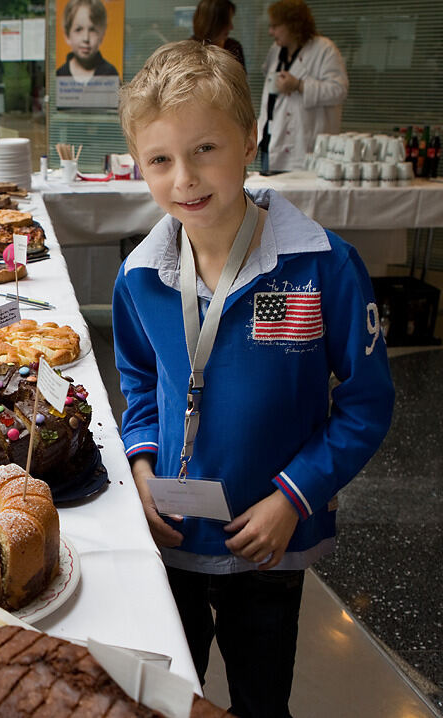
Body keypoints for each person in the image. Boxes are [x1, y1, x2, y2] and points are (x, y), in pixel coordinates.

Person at [114, 41, 393, 717]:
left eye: (205, 148)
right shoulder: (141, 277)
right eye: (160, 160)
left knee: (261, 699)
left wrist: (294, 498)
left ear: (249, 138)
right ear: (139, 166)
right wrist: (143, 469)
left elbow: (365, 403)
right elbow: (139, 381)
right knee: (172, 699)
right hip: (175, 530)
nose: (185, 177)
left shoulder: (323, 267)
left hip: (269, 536)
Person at [258, 0, 347, 172]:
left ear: (294, 25)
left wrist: (299, 85)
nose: (271, 32)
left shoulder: (324, 49)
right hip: (272, 138)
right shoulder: (276, 51)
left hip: (303, 144)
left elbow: (339, 90)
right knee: (269, 195)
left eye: (275, 26)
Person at [55, 0, 118, 81]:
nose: (86, 38)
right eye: (78, 29)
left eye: (92, 30)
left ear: (102, 35)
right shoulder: (60, 74)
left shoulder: (110, 73)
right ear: (67, 36)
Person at [191, 0, 245, 69]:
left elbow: (241, 78)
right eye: (227, 22)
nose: (231, 27)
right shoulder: (188, 50)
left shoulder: (234, 48)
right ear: (212, 23)